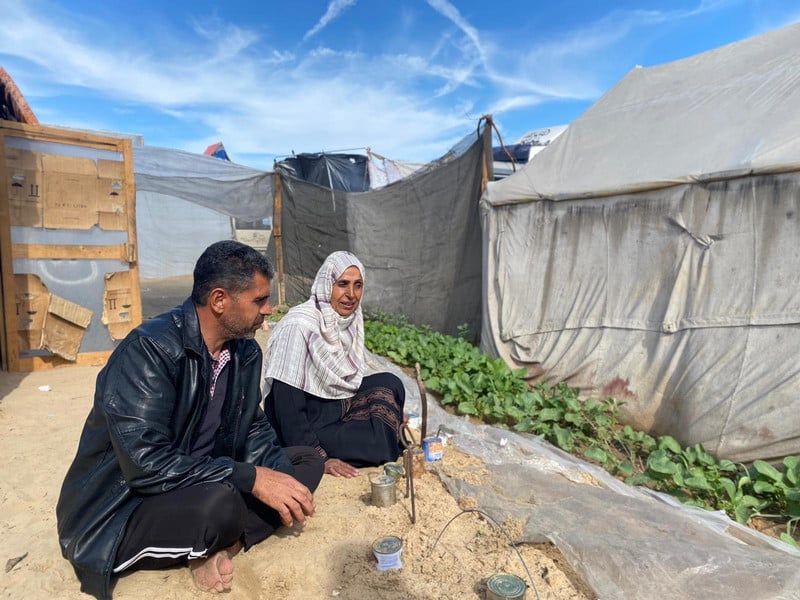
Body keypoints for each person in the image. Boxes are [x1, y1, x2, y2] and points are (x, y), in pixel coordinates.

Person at [56, 240, 324, 600]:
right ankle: (209, 539)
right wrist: (251, 477)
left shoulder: (243, 351)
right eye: (259, 300)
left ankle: (222, 547)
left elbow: (254, 427)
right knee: (222, 504)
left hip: (205, 475)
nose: (269, 309)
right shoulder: (150, 350)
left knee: (305, 462)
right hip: (127, 503)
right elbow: (145, 465)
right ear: (219, 301)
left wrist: (279, 478)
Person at [262, 251, 406, 479]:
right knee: (379, 445)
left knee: (391, 383)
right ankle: (318, 447)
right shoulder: (299, 326)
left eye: (358, 285)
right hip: (303, 425)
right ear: (327, 285)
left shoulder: (349, 320)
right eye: (343, 284)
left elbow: (346, 378)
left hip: (334, 406)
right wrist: (319, 457)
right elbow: (286, 404)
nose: (351, 294)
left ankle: (372, 431)